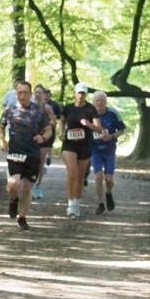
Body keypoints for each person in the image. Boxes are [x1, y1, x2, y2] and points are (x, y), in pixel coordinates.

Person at [0, 81, 52, 230]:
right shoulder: (9, 110)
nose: (22, 95)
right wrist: (2, 141)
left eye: (25, 92)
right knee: (13, 184)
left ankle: (22, 217)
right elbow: (1, 127)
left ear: (30, 94)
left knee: (27, 188)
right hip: (15, 152)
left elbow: (48, 130)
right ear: (16, 93)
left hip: (32, 154)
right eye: (19, 92)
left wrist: (43, 138)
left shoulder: (38, 111)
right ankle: (13, 200)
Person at [59, 82, 103, 218]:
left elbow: (99, 129)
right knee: (72, 171)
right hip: (69, 144)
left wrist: (88, 124)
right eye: (79, 92)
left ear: (86, 94)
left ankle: (76, 204)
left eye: (83, 93)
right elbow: (62, 121)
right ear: (75, 93)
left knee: (79, 176)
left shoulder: (91, 109)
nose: (81, 95)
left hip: (84, 145)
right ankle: (70, 203)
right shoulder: (68, 108)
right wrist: (61, 132)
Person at [90, 91, 127, 214]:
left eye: (102, 101)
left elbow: (122, 130)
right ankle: (101, 203)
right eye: (97, 101)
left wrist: (111, 136)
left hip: (110, 150)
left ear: (106, 102)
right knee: (98, 176)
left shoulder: (113, 113)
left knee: (109, 179)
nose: (100, 103)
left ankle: (108, 193)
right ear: (93, 103)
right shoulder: (89, 114)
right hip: (95, 150)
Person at [31, 85, 58, 200]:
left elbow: (54, 122)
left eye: (40, 92)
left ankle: (37, 186)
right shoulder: (29, 107)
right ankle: (29, 184)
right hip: (32, 137)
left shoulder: (47, 108)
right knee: (32, 161)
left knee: (40, 163)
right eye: (36, 92)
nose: (37, 94)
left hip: (45, 137)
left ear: (43, 94)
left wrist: (46, 126)